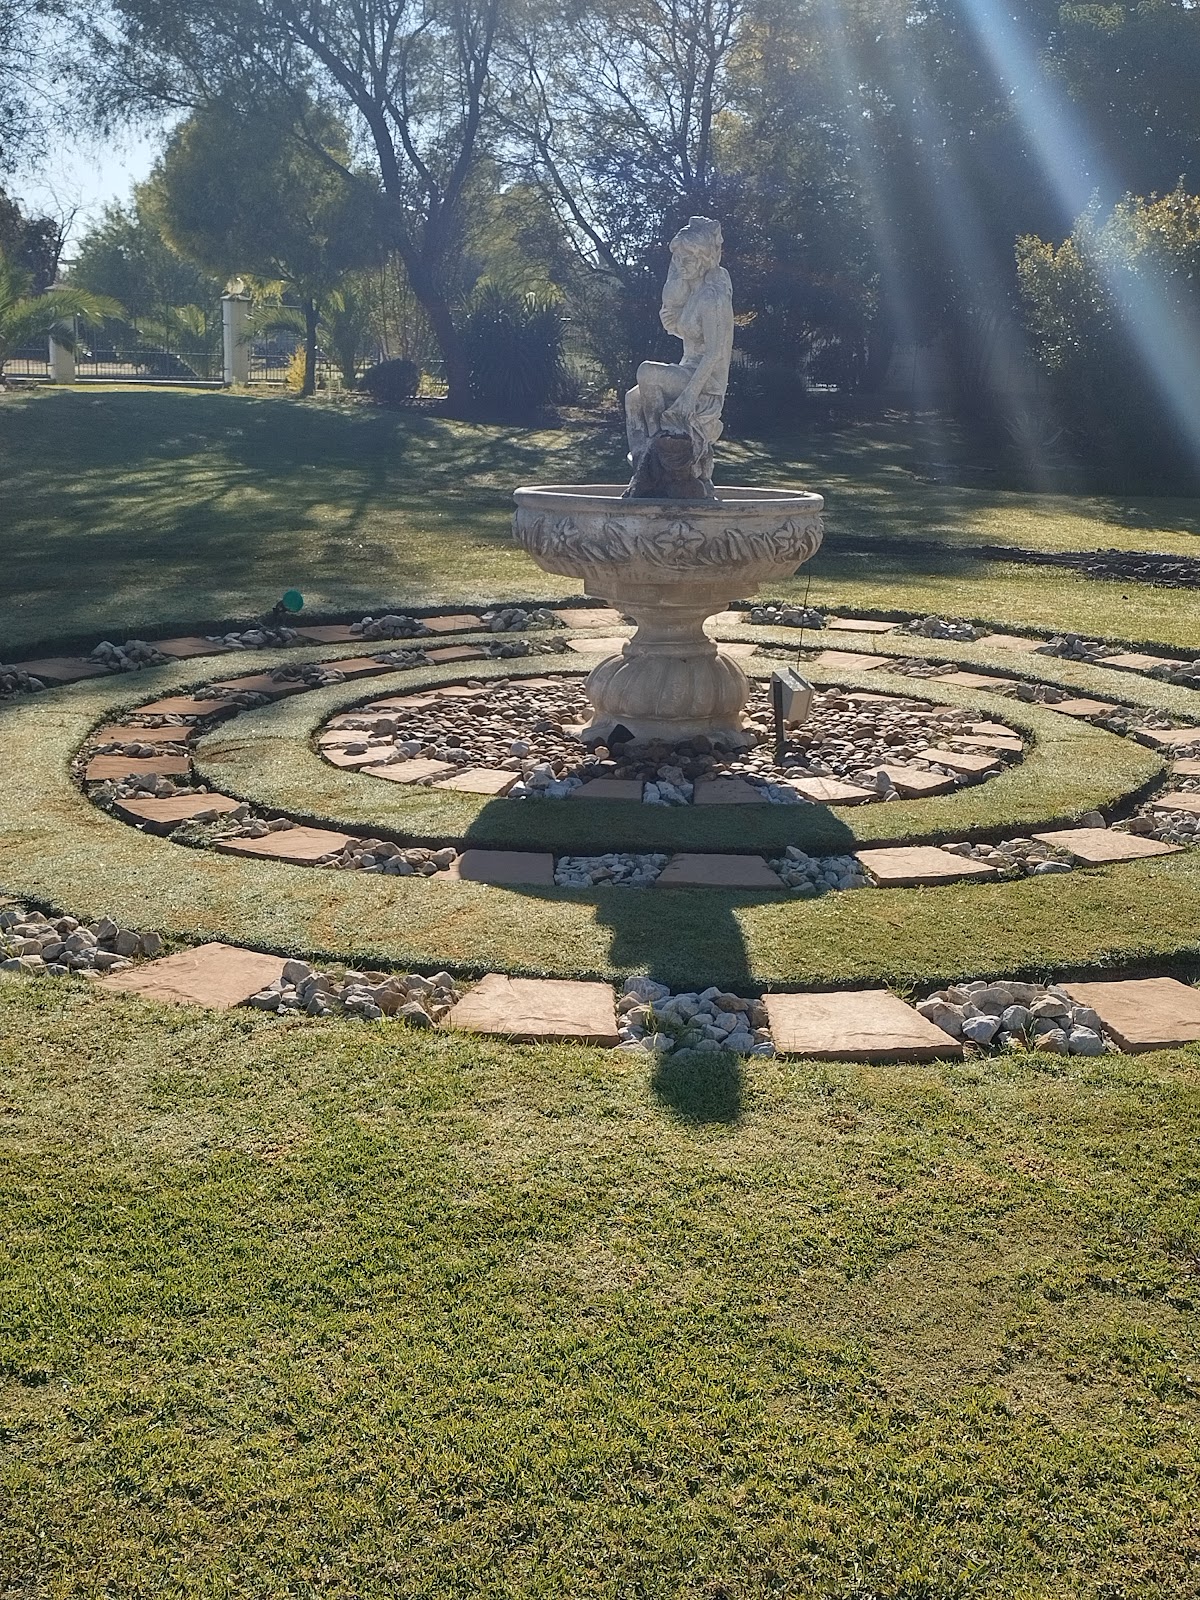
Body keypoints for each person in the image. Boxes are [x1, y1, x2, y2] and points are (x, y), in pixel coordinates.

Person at [625, 215, 734, 494]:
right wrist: (672, 322)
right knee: (633, 398)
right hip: (688, 370)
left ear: (704, 259)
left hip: (706, 381)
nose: (682, 264)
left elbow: (714, 353)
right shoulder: (692, 293)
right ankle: (644, 459)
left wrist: (688, 398)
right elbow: (690, 333)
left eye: (690, 258)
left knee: (647, 372)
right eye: (679, 258)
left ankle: (656, 447)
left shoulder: (712, 297)